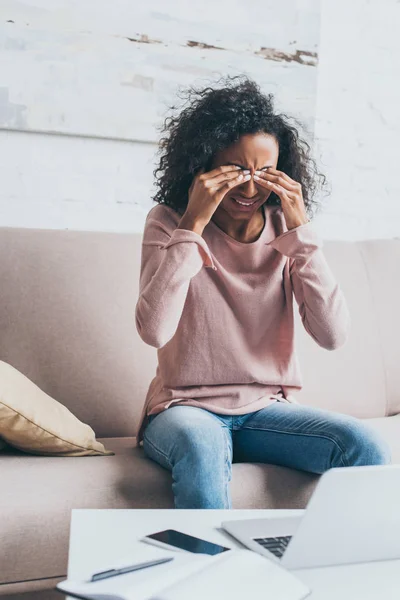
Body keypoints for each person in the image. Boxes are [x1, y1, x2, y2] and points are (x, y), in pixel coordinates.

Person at [135, 76, 390, 509]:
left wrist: (302, 233)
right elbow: (154, 330)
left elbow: (332, 335)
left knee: (364, 444)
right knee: (202, 446)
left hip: (266, 411)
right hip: (184, 409)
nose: (250, 189)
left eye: (264, 173)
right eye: (235, 171)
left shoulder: (286, 232)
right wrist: (192, 224)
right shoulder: (168, 221)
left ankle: (327, 569)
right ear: (204, 164)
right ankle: (213, 573)